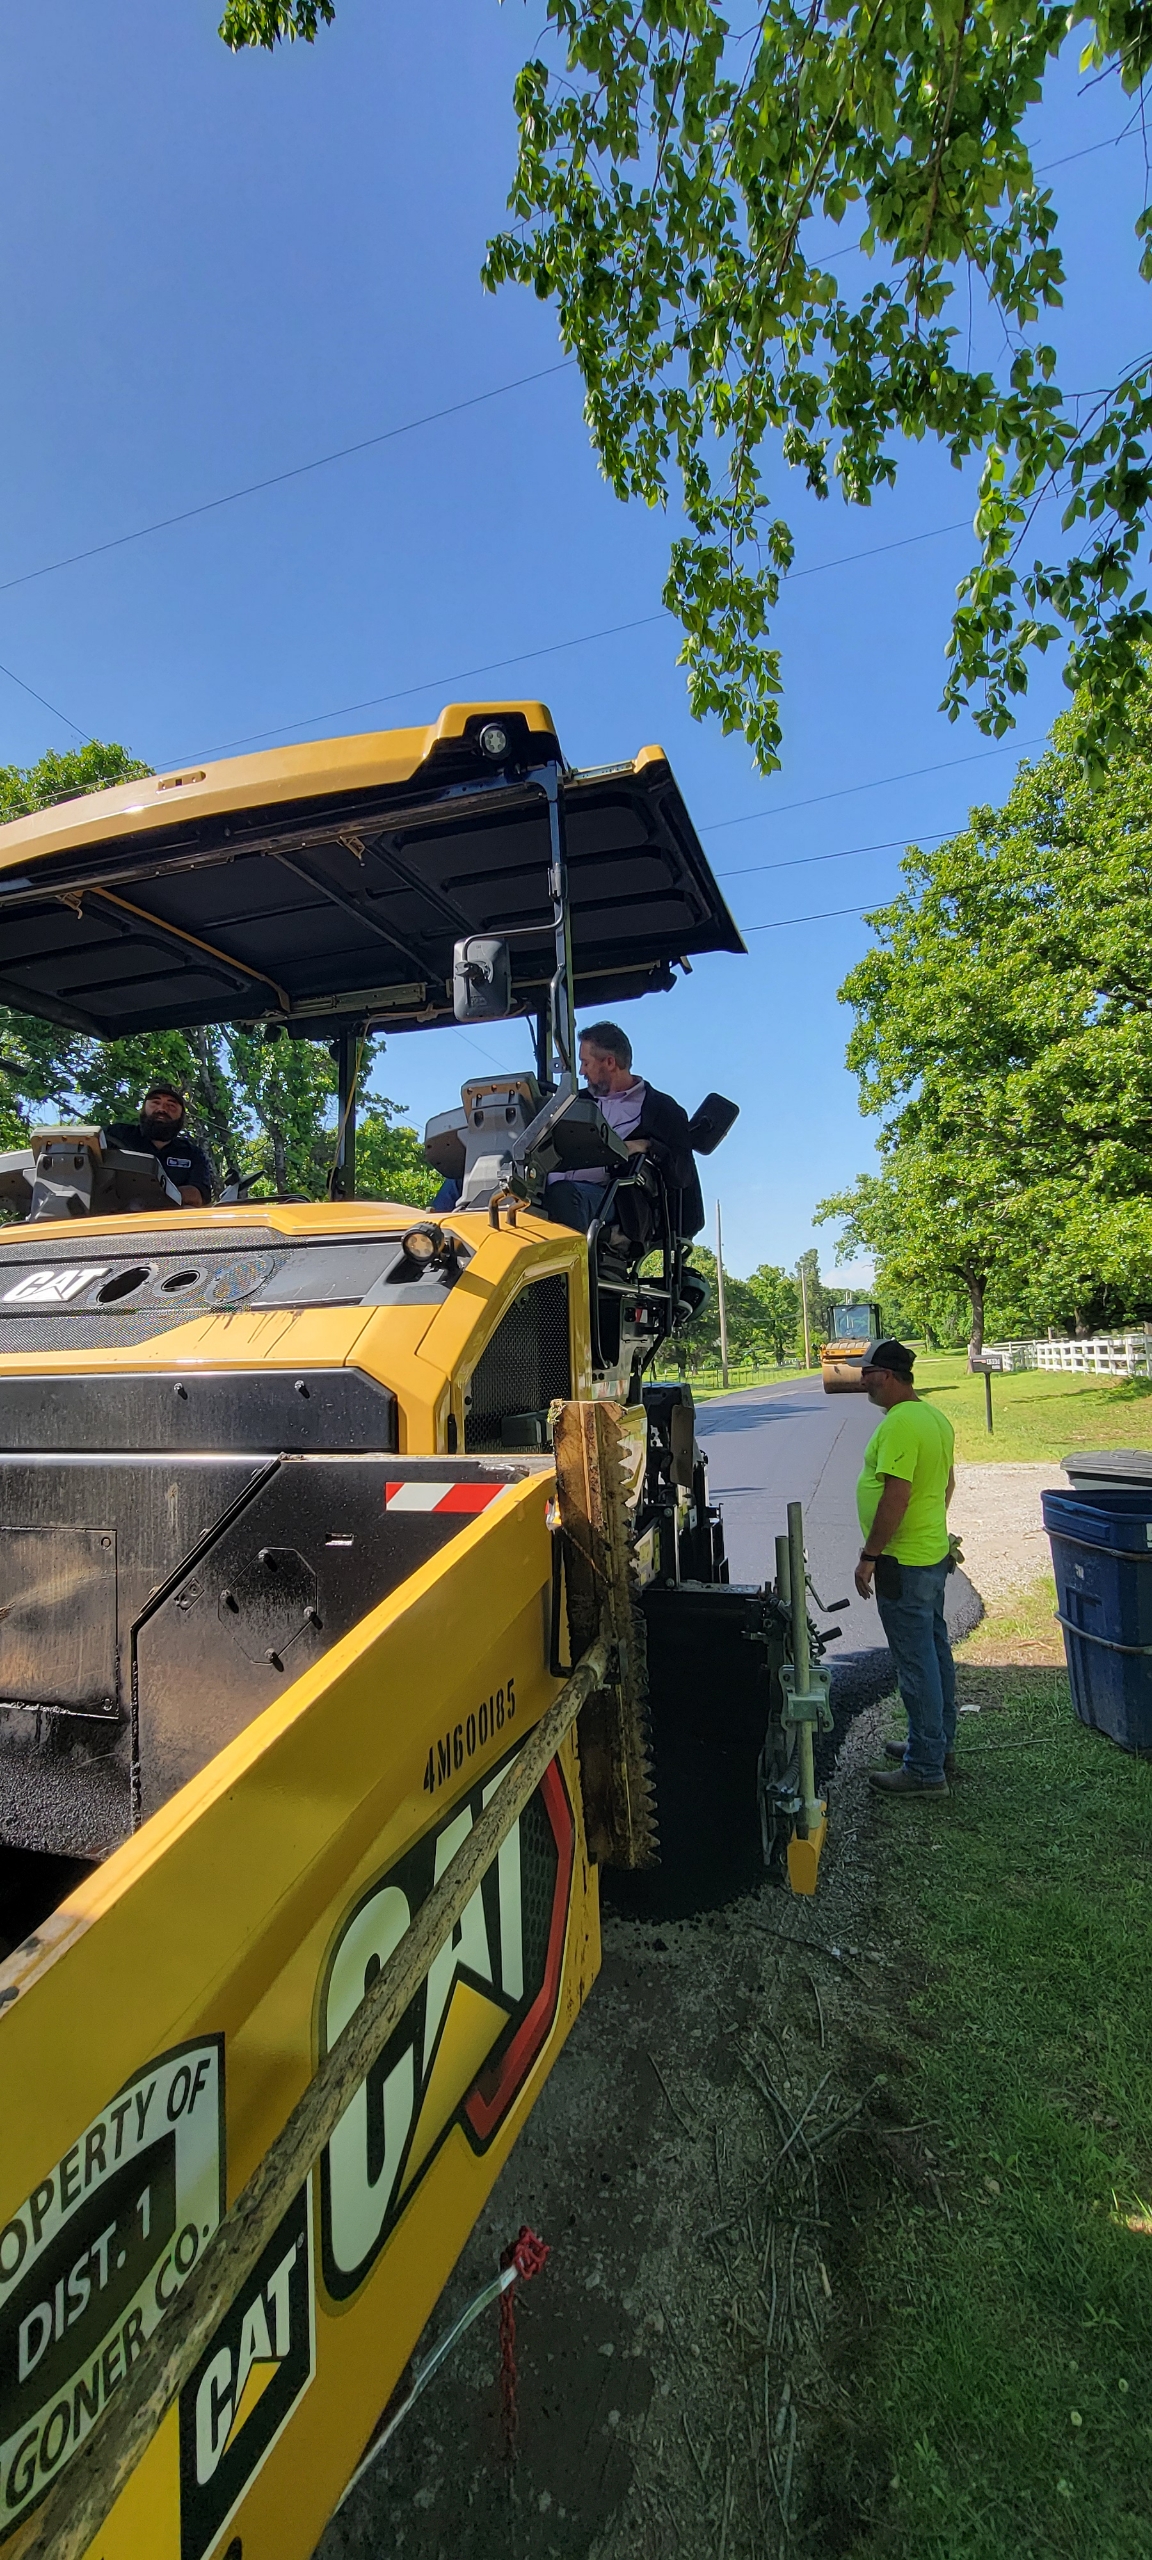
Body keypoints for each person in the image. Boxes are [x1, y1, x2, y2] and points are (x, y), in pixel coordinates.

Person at [853, 1338, 957, 1798]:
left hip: (903, 1563)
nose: (862, 1381)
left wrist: (870, 1555)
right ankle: (935, 1745)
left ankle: (924, 1771)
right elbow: (947, 1483)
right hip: (931, 1555)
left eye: (868, 1373)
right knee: (935, 1655)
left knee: (916, 1666)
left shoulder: (900, 1424)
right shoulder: (933, 1417)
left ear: (890, 1375)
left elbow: (896, 1495)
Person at [546, 1022, 704, 1237]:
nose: (582, 1071)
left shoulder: (663, 1110)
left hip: (613, 1200)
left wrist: (646, 1145)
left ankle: (569, 1268)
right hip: (547, 1191)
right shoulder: (574, 1102)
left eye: (585, 1063)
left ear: (609, 1062)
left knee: (563, 1196)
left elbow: (682, 1175)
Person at [106, 1084, 213, 1208]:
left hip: (168, 1222)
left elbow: (197, 1196)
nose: (162, 1109)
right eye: (155, 1102)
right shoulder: (115, 1135)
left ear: (182, 1116)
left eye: (171, 1105)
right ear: (144, 1108)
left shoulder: (192, 1154)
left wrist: (151, 1199)